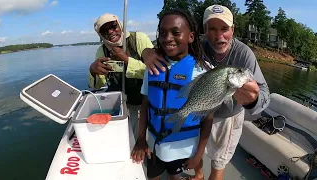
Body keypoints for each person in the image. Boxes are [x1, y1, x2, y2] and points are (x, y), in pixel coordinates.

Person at [140, 5, 270, 180]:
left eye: (224, 29)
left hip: (227, 117)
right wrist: (146, 52)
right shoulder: (197, 46)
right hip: (199, 113)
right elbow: (169, 47)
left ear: (233, 29)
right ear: (204, 31)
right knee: (196, 155)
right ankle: (198, 176)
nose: (218, 36)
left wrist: (252, 101)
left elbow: (264, 95)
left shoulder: (244, 54)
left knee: (218, 162)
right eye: (212, 29)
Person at [130, 9, 214, 180]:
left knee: (174, 176)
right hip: (154, 143)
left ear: (190, 36)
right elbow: (146, 104)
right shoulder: (153, 66)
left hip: (184, 146)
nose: (167, 38)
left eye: (176, 32)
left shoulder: (203, 71)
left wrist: (198, 155)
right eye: (162, 33)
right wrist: (141, 139)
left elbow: (208, 118)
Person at [89, 13, 154, 139]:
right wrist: (93, 71)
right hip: (119, 104)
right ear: (100, 35)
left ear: (120, 25)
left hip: (144, 104)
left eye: (113, 26)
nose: (111, 32)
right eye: (105, 30)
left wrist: (126, 59)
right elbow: (98, 85)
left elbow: (154, 72)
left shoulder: (139, 39)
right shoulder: (101, 51)